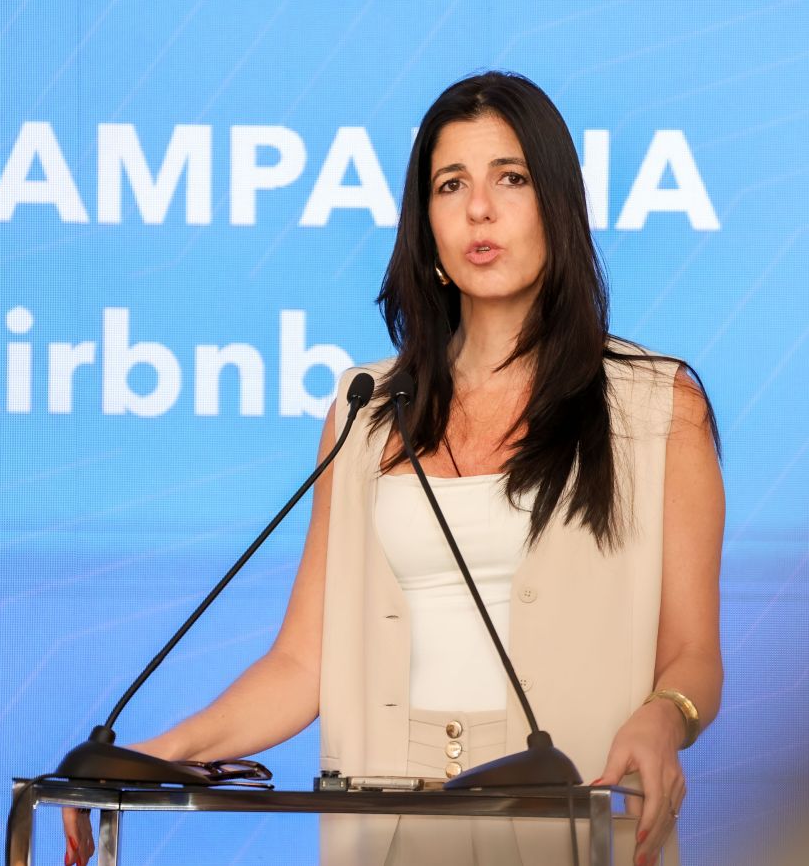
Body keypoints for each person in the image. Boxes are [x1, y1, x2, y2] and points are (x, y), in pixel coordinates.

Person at [63, 70, 724, 866]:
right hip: (385, 825)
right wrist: (158, 752)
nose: (479, 208)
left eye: (510, 178)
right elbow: (302, 662)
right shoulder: (366, 409)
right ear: (427, 224)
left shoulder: (657, 407)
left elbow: (693, 653)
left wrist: (663, 715)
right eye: (451, 185)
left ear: (558, 203)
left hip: (570, 813)